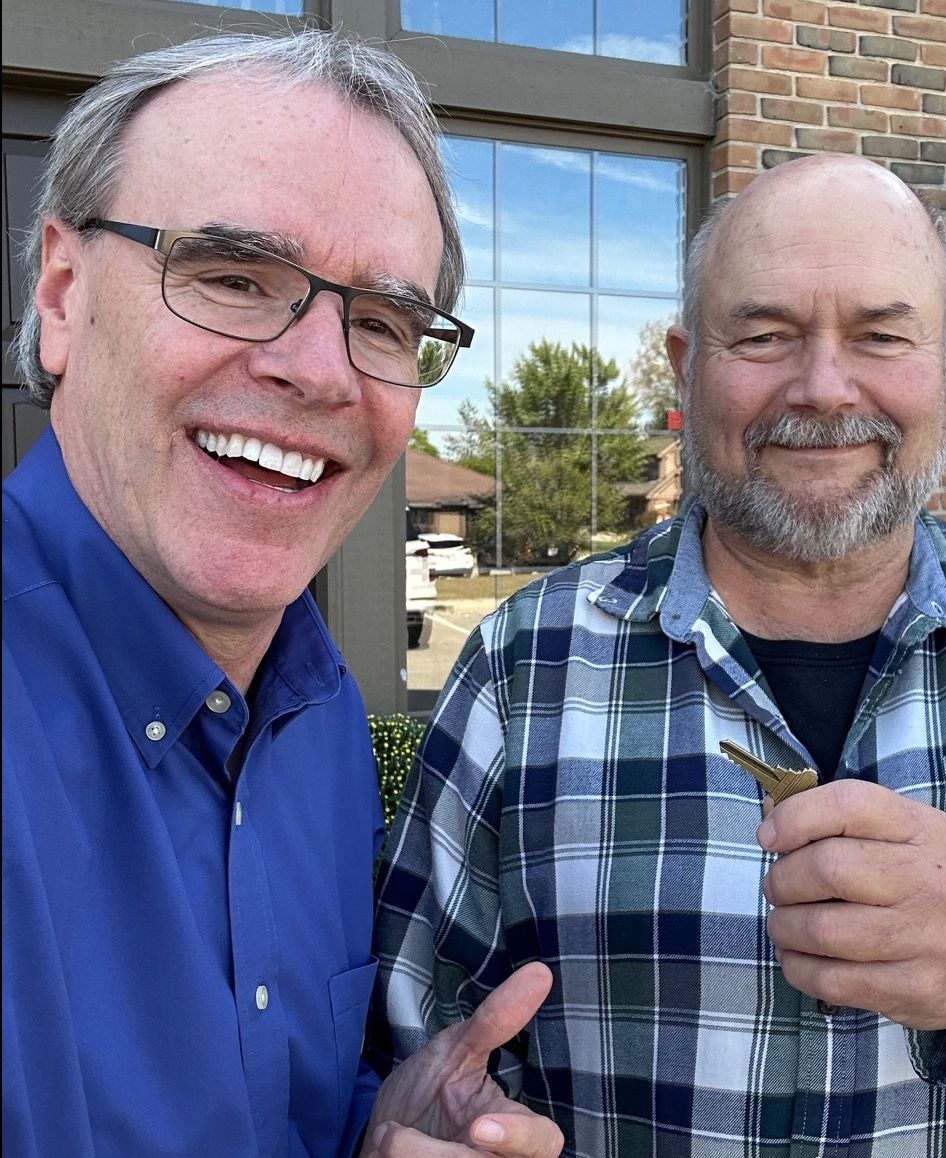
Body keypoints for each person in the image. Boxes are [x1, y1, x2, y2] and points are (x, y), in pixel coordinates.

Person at [370, 154, 946, 1157]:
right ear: (686, 365)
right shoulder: (524, 667)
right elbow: (413, 1045)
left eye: (880, 335)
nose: (821, 388)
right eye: (764, 335)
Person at [1, 30, 562, 1158]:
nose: (318, 370)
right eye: (231, 277)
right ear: (63, 294)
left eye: (382, 322)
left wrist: (370, 1130)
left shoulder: (319, 717)